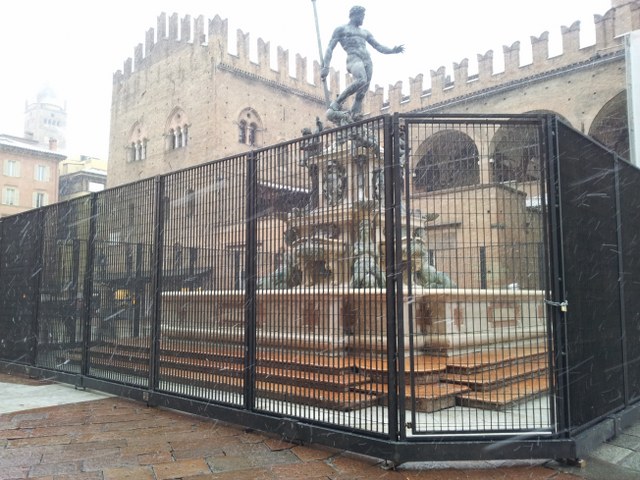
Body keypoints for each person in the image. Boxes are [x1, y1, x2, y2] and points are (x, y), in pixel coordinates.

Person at [321, 6, 404, 119]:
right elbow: (330, 48)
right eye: (362, 16)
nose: (363, 19)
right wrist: (326, 67)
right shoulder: (341, 29)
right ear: (354, 15)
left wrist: (392, 50)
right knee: (361, 80)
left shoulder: (365, 32)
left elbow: (378, 46)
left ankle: (354, 116)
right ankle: (336, 103)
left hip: (367, 60)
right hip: (354, 58)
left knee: (362, 93)